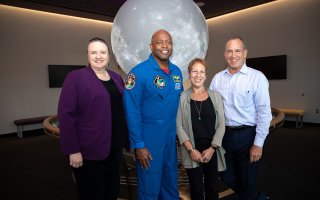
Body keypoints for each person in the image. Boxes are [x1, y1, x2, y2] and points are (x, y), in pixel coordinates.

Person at [58, 37, 128, 200]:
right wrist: (72, 150)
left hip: (115, 147)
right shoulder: (75, 78)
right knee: (91, 194)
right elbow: (66, 115)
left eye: (102, 52)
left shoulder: (117, 78)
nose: (98, 56)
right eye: (93, 52)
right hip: (89, 151)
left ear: (109, 56)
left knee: (112, 191)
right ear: (87, 55)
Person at [209, 36, 272, 200]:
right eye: (229, 51)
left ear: (245, 53)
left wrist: (258, 144)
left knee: (248, 178)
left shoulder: (257, 77)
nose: (233, 55)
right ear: (225, 54)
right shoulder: (217, 79)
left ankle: (252, 195)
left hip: (248, 135)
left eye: (237, 51)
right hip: (225, 135)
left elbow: (264, 113)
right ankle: (257, 197)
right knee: (224, 174)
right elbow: (211, 108)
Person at [123, 29, 183, 200]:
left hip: (171, 139)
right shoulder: (138, 73)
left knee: (170, 182)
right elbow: (131, 110)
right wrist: (139, 144)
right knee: (150, 186)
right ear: (151, 46)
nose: (165, 46)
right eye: (159, 42)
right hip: (149, 140)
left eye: (169, 42)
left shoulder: (177, 72)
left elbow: (180, 105)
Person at [176, 58, 226, 200]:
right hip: (192, 150)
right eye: (195, 71)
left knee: (212, 189)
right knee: (196, 190)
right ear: (189, 74)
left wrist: (212, 148)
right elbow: (178, 125)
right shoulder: (182, 97)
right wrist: (191, 149)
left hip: (212, 150)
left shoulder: (216, 96)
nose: (198, 75)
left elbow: (222, 124)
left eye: (201, 72)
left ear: (205, 75)